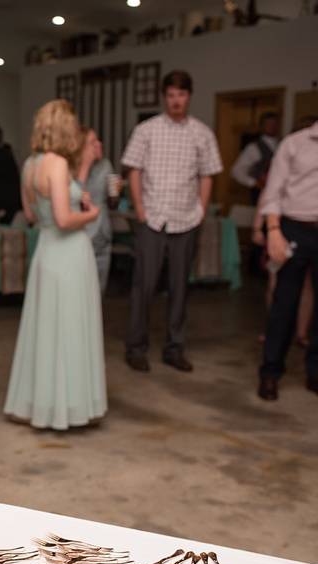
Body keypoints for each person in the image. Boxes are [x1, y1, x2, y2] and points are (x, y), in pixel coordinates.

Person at [4, 100, 107, 430]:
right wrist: (92, 213)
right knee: (70, 328)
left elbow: (33, 215)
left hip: (46, 252)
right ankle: (70, 407)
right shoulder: (58, 163)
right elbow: (65, 219)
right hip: (69, 254)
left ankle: (43, 404)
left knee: (47, 329)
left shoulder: (30, 164)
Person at [122, 70, 223, 373]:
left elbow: (207, 175)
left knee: (180, 287)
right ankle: (136, 347)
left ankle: (174, 347)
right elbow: (134, 170)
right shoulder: (147, 130)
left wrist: (201, 210)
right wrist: (139, 207)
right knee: (145, 286)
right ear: (164, 97)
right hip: (153, 218)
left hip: (186, 220)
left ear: (188, 96)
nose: (176, 100)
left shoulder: (202, 133)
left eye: (181, 94)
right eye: (170, 95)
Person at [256, 117, 318, 401]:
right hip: (294, 227)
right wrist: (273, 231)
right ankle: (270, 372)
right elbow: (273, 192)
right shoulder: (294, 144)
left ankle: (315, 373)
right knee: (285, 302)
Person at [76, 127, 115, 292]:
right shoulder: (72, 168)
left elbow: (113, 203)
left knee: (100, 287)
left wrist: (115, 193)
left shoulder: (106, 165)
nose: (99, 144)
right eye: (93, 142)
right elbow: (74, 198)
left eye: (98, 140)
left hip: (103, 231)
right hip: (82, 231)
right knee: (82, 287)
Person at [231, 112, 280, 205]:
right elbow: (236, 171)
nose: (272, 126)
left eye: (274, 124)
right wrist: (253, 183)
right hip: (260, 193)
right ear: (262, 126)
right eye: (268, 124)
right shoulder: (253, 147)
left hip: (280, 193)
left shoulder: (284, 144)